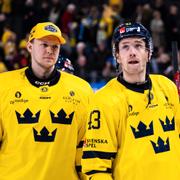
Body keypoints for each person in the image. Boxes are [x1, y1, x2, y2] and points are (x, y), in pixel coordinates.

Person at [82, 22, 180, 180]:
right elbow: (95, 168)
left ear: (148, 53)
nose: (132, 52)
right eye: (125, 47)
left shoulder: (167, 86)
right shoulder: (104, 100)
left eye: (138, 45)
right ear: (118, 56)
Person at [0, 22, 93, 180]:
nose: (50, 50)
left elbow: (87, 149)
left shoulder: (82, 90)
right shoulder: (3, 85)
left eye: (55, 47)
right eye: (44, 44)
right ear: (30, 46)